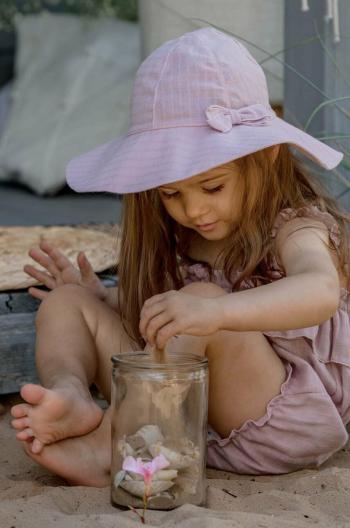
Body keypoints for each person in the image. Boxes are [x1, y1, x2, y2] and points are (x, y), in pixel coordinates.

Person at [10, 27, 350, 485]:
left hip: (279, 421)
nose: (193, 210)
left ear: (265, 159)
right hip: (190, 413)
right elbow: (165, 326)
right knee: (66, 304)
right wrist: (102, 300)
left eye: (213, 187)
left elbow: (320, 289)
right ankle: (72, 395)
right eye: (171, 193)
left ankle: (110, 447)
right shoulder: (181, 236)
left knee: (201, 303)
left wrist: (214, 309)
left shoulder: (295, 226)